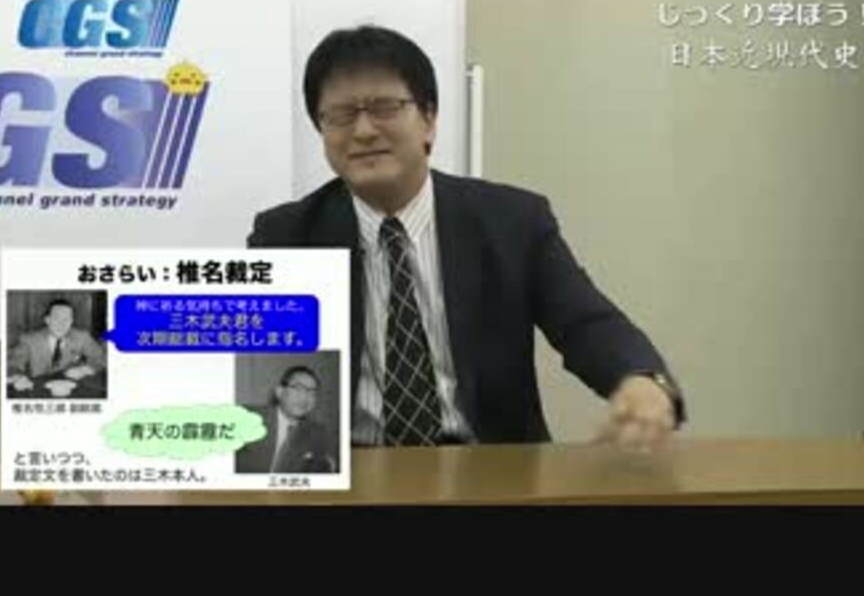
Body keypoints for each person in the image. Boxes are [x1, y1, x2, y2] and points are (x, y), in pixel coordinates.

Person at [248, 25, 686, 452]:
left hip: (490, 469)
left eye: (384, 107)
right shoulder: (286, 237)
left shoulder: (512, 221)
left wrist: (643, 380)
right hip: (350, 473)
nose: (363, 131)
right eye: (341, 115)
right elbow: (260, 376)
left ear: (429, 120)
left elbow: (585, 323)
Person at [236, 366, 336, 474]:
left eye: (312, 392)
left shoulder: (317, 433)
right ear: (279, 392)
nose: (304, 397)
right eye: (297, 388)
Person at [8, 298, 106, 379]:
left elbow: (102, 358)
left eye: (66, 319)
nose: (61, 324)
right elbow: (13, 364)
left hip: (70, 386)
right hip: (38, 387)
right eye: (56, 318)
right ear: (47, 320)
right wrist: (17, 377)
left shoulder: (81, 337)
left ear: (71, 321)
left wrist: (85, 370)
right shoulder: (30, 340)